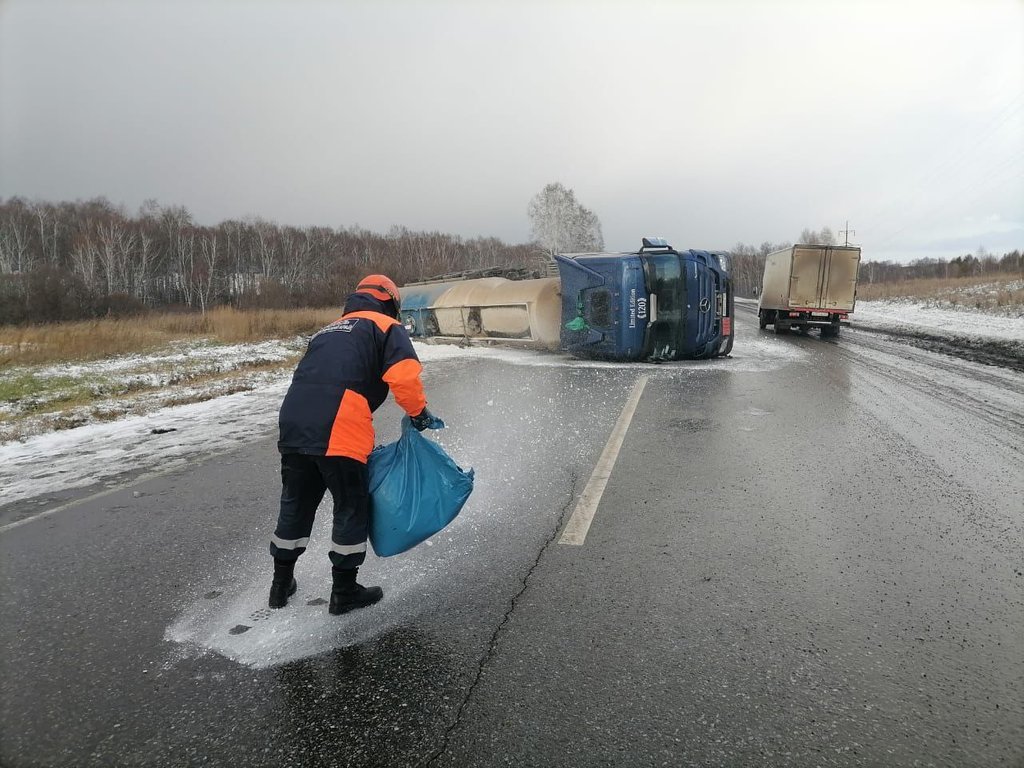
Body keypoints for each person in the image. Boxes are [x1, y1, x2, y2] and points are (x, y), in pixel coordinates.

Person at [268, 274, 441, 615]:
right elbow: (403, 376)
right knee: (350, 505)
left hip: (293, 419)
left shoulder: (328, 330)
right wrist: (419, 414)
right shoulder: (386, 326)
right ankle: (344, 592)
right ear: (391, 302)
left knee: (296, 502)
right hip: (339, 421)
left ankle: (279, 586)